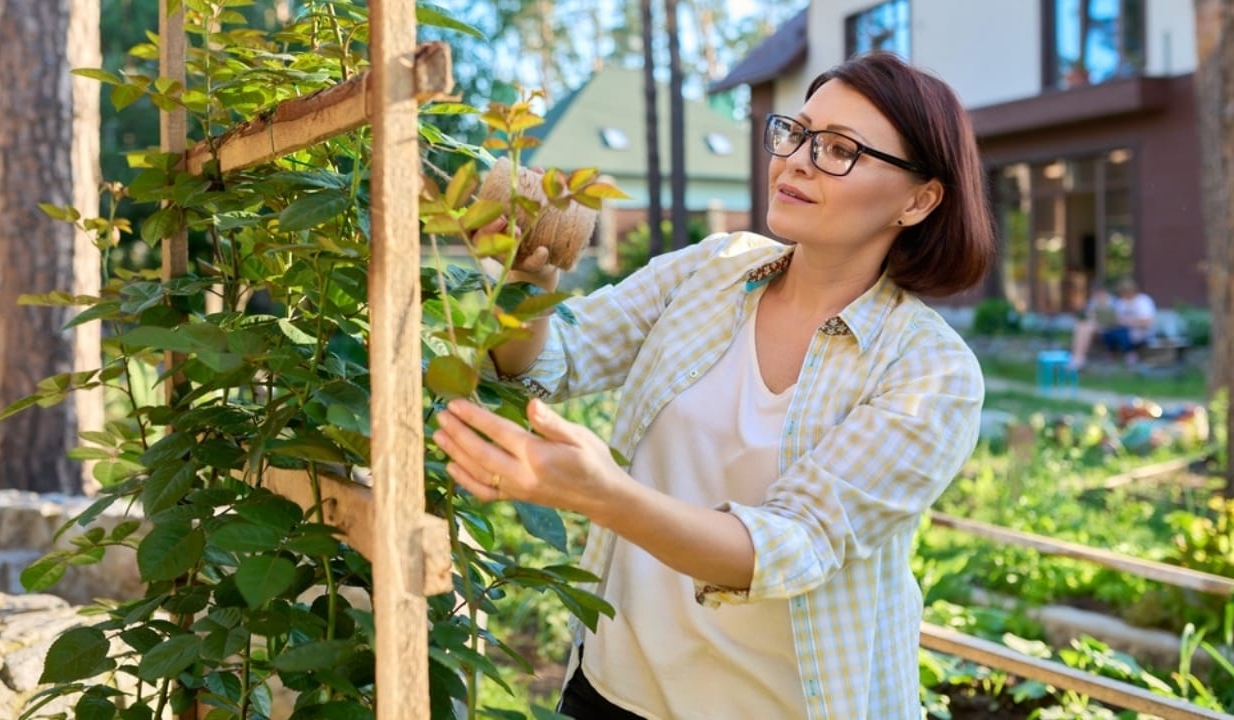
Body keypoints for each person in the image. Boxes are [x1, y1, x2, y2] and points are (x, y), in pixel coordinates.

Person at [432, 51, 994, 719]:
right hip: (610, 688)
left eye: (840, 149)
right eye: (797, 133)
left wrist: (602, 495)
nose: (798, 161)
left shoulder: (930, 371)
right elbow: (553, 359)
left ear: (919, 199)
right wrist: (531, 274)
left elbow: (791, 546)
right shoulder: (713, 269)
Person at [1069, 278, 1155, 368]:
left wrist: (1125, 321)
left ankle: (1079, 358)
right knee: (1084, 325)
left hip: (1137, 332)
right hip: (1118, 328)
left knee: (1120, 332)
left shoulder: (1143, 300)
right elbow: (1115, 317)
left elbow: (1147, 322)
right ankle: (1077, 357)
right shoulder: (1121, 302)